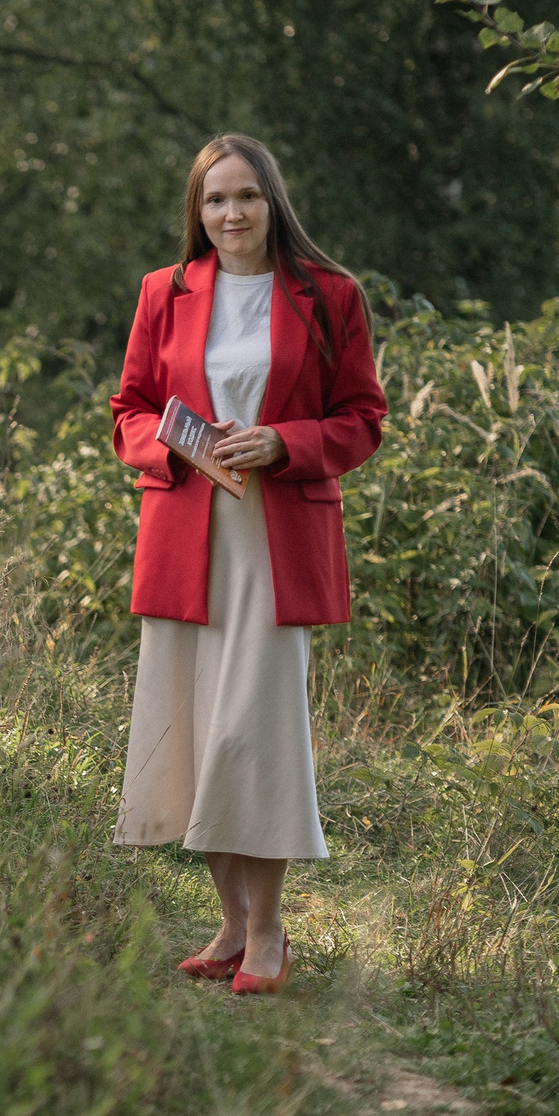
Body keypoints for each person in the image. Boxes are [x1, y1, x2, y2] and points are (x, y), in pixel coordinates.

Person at [107, 134, 387, 995]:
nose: (230, 214)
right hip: (185, 537)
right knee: (194, 737)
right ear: (197, 210)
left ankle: (269, 930)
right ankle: (229, 922)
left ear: (273, 201)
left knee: (251, 735)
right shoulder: (165, 292)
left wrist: (288, 441)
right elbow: (129, 410)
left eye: (245, 197)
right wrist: (175, 442)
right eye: (214, 199)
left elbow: (363, 418)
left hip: (276, 544)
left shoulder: (329, 297)